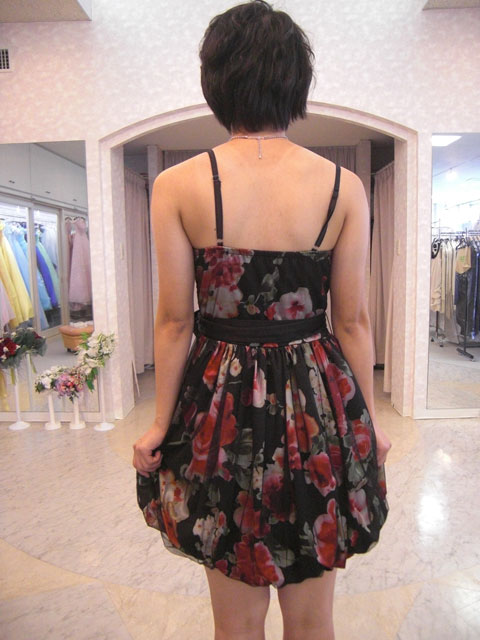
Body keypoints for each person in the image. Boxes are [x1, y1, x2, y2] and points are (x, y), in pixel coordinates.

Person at [133, 1, 391, 638]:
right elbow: (353, 322)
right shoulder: (344, 187)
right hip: (316, 401)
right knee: (313, 623)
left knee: (235, 626)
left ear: (215, 81)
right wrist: (369, 424)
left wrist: (159, 424)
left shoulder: (177, 185)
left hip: (218, 407)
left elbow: (174, 321)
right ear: (295, 81)